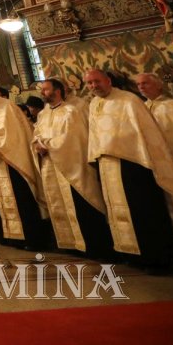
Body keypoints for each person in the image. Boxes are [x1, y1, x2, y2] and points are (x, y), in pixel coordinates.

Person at [85, 69, 173, 268]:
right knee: (119, 214)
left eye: (97, 81)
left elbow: (144, 134)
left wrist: (116, 145)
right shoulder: (94, 104)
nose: (94, 86)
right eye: (90, 83)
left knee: (142, 212)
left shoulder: (129, 100)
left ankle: (155, 258)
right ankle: (130, 254)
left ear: (108, 81)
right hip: (107, 165)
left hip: (133, 164)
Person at [32, 78, 112, 258]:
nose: (42, 93)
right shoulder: (43, 114)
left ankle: (93, 246)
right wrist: (36, 144)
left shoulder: (71, 112)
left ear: (58, 91)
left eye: (45, 90)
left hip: (71, 164)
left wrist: (48, 145)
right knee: (57, 202)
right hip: (50, 165)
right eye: (41, 90)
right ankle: (70, 244)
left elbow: (72, 139)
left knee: (80, 203)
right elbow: (36, 133)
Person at [0, 82, 50, 249]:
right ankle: (10, 237)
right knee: (1, 199)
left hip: (13, 160)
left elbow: (14, 134)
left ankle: (30, 238)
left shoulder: (7, 107)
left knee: (21, 198)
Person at [135, 72, 173, 192]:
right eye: (138, 84)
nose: (141, 87)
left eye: (145, 83)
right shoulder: (139, 109)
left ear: (158, 85)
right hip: (154, 163)